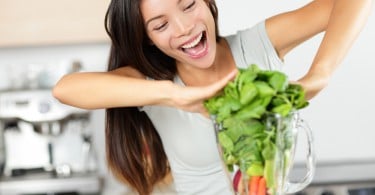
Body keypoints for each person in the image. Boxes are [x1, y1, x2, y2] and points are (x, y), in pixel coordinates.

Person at [52, 0, 372, 194]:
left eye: (189, 5)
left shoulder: (258, 45)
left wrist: (320, 74)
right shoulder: (153, 84)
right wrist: (173, 96)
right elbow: (66, 89)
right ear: (147, 40)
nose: (184, 28)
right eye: (160, 25)